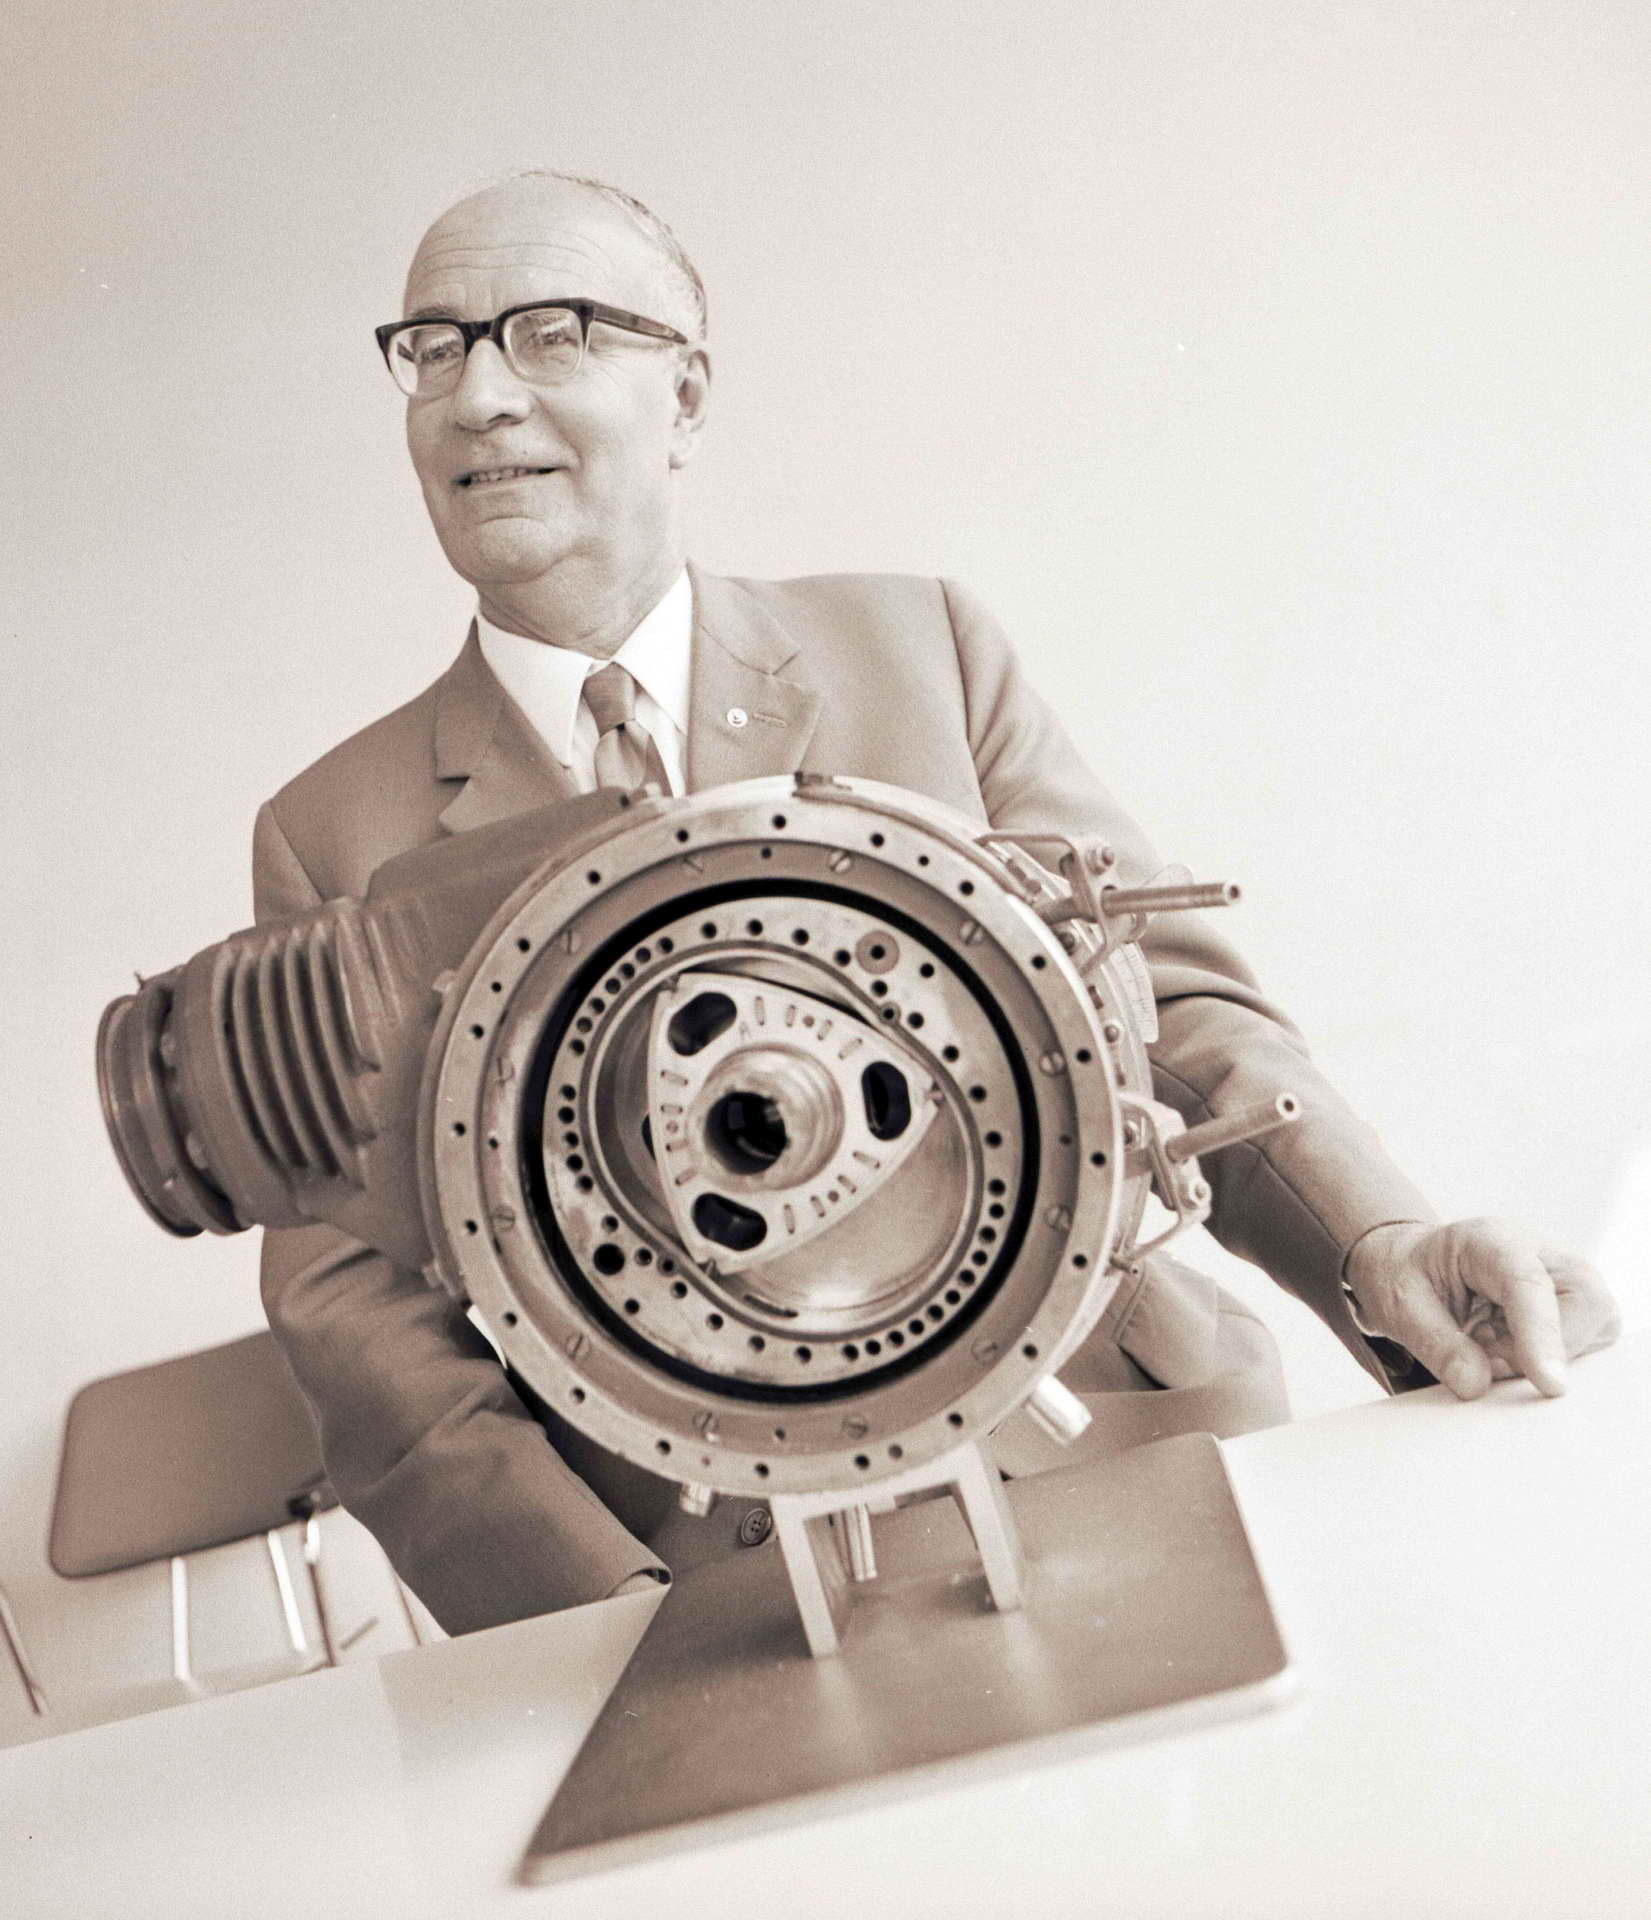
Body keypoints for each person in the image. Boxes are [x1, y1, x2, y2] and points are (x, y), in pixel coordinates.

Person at [253, 171, 1619, 1635]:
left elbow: (1163, 1005)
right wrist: (609, 1614)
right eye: (436, 347)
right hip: (706, 1589)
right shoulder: (332, 841)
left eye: (553, 332)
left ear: (686, 398)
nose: (479, 396)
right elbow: (356, 1309)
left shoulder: (924, 644)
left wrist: (1377, 1241)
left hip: (1123, 1442)